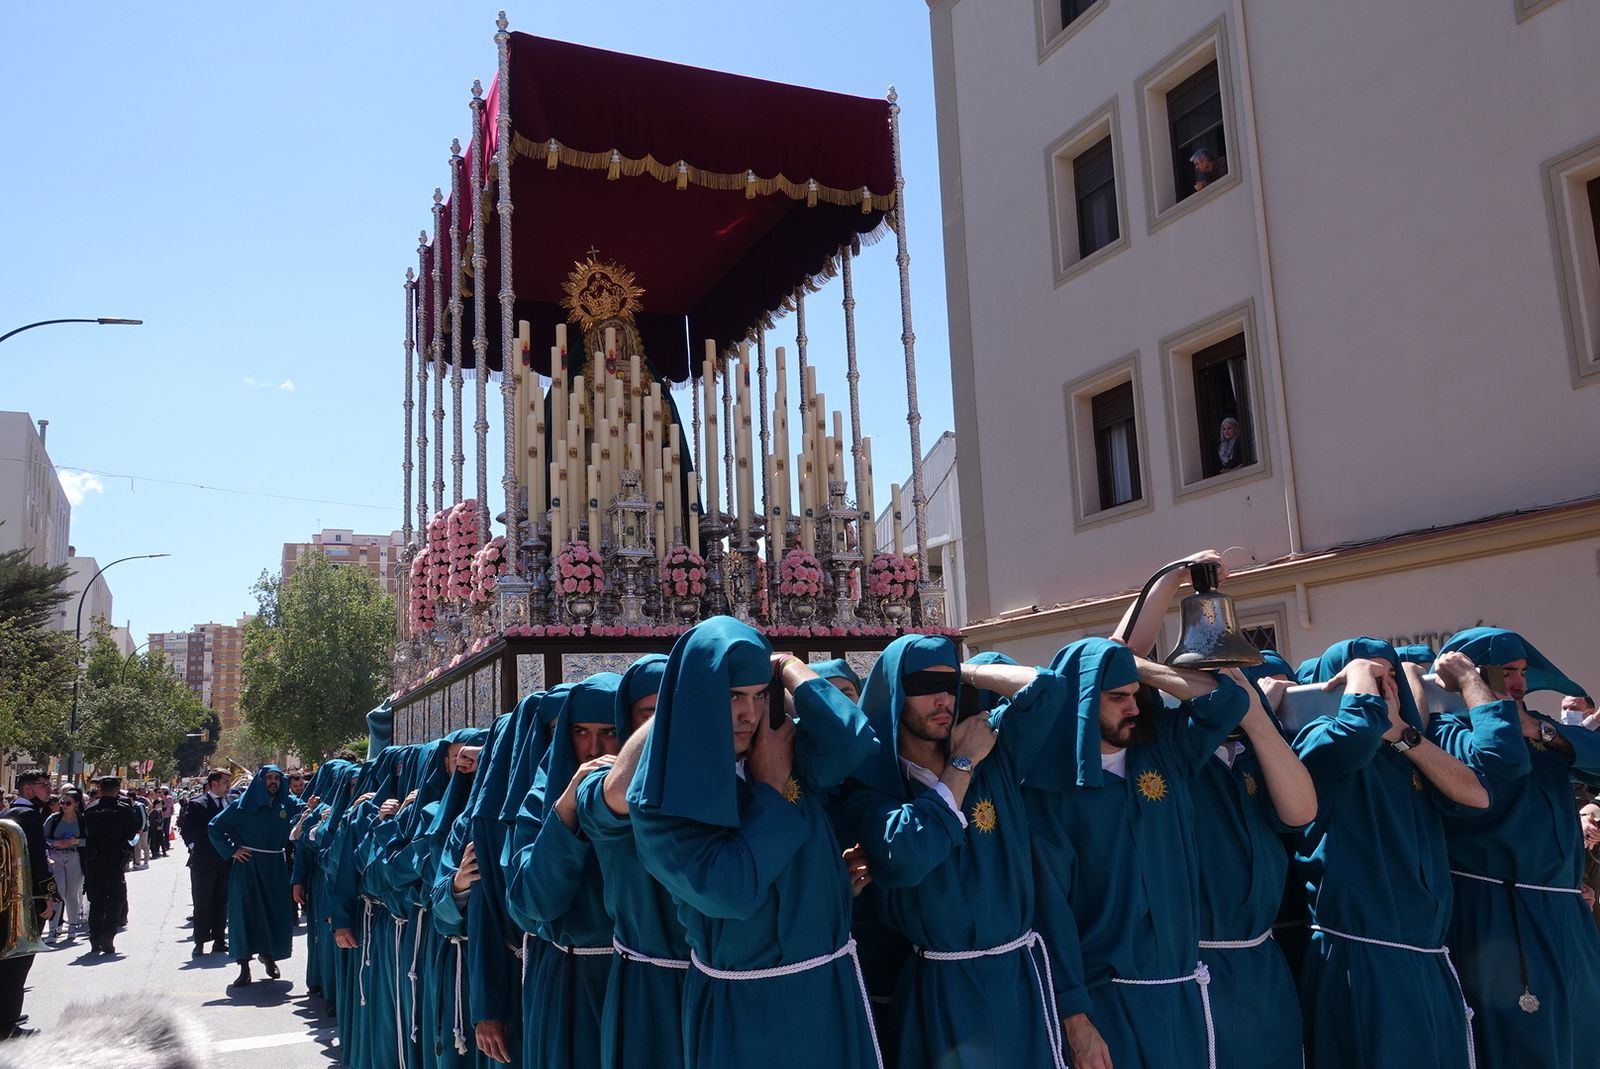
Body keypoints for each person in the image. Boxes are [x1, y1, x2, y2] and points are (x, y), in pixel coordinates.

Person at [628, 617, 882, 1069]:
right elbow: (730, 890)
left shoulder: (786, 749)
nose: (749, 714)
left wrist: (788, 667)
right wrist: (768, 788)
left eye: (759, 695)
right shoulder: (658, 799)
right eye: (732, 697)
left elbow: (854, 742)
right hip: (743, 1011)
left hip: (826, 992)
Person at [1291, 638, 1522, 1069]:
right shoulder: (1317, 739)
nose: (1386, 686)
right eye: (1373, 676)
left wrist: (1403, 734)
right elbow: (1355, 732)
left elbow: (1479, 794)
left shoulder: (1410, 750)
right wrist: (1362, 685)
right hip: (1362, 958)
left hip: (1426, 957)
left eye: (1392, 676)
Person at [841, 634, 1067, 1068]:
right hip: (940, 990)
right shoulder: (872, 789)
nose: (942, 699)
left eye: (949, 687)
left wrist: (966, 671)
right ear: (894, 690)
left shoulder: (994, 752)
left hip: (1018, 982)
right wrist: (960, 766)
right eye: (924, 685)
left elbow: (1049, 687)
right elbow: (909, 856)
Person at [1026, 638, 1244, 1069]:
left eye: (1135, 694)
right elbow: (1050, 912)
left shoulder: (1165, 751)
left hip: (1183, 995)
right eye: (1117, 697)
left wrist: (1136, 666)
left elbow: (1229, 701)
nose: (1133, 707)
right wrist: (1075, 1019)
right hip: (1107, 1007)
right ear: (1082, 698)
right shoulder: (1049, 790)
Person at [1435, 627, 1600, 1068]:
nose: (1519, 684)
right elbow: (1499, 763)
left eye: (1523, 672)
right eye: (1506, 671)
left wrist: (1542, 730)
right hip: (1501, 916)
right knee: (1525, 1045)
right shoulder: (1447, 729)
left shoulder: (1537, 728)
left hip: (1567, 914)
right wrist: (1474, 690)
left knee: (1584, 1038)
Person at [575, 654, 695, 1069]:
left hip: (720, 982)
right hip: (648, 988)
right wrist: (681, 704)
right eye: (651, 713)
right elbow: (621, 794)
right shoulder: (601, 785)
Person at [507, 673, 626, 1069]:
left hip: (647, 978)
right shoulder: (540, 800)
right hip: (571, 981)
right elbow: (532, 903)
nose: (594, 748)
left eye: (610, 732)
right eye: (580, 732)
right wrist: (567, 808)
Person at [208, 764, 306, 987]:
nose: (273, 782)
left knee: (274, 913)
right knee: (246, 914)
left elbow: (308, 813)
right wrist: (233, 850)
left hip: (275, 867)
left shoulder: (288, 803)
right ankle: (244, 967)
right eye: (269, 778)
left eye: (276, 778)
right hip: (248, 867)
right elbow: (215, 827)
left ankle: (269, 956)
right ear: (261, 781)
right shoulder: (242, 805)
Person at [0, 770, 56, 1039]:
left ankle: (7, 1013)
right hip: (26, 900)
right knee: (17, 965)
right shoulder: (29, 816)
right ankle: (7, 1024)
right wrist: (49, 894)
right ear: (27, 789)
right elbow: (37, 861)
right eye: (43, 785)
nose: (49, 789)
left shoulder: (8, 813)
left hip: (8, 901)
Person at [78, 774, 141, 955]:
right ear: (117, 789)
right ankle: (108, 935)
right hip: (115, 861)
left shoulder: (90, 810)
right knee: (115, 900)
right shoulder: (123, 809)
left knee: (96, 901)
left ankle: (95, 937)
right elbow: (132, 834)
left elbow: (84, 835)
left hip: (94, 861)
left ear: (100, 789)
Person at [180, 768, 232, 956]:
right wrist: (195, 846)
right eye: (225, 782)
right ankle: (200, 941)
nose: (228, 786)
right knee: (202, 903)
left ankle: (219, 940)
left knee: (221, 901)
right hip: (204, 861)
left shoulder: (230, 803)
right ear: (214, 783)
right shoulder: (198, 804)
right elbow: (187, 830)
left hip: (225, 860)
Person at [43, 789, 87, 942]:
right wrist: (54, 843)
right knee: (57, 893)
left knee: (72, 894)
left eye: (68, 803)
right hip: (56, 856)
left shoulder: (82, 820)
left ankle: (72, 927)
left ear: (76, 804)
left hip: (75, 856)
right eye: (62, 802)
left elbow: (91, 840)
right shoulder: (54, 819)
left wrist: (76, 841)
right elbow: (42, 838)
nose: (64, 805)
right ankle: (53, 930)